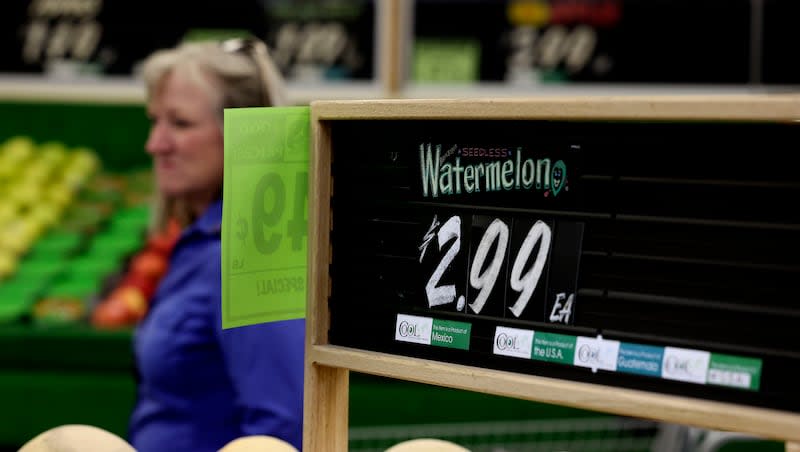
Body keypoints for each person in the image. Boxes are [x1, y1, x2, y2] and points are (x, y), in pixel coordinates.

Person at [128, 38, 304, 452]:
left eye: (181, 124)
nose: (156, 144)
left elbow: (282, 426)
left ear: (244, 134)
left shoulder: (246, 256)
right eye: (155, 121)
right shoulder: (201, 242)